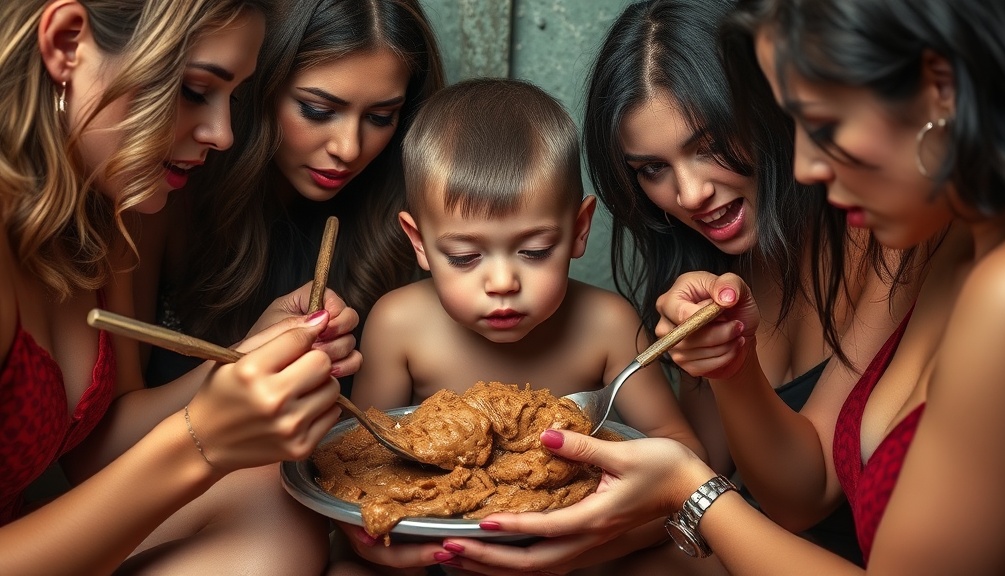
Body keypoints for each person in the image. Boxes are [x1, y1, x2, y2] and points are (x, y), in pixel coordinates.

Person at [437, 0, 1005, 573]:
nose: (689, 195)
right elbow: (796, 493)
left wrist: (687, 489)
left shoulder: (949, 258)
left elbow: (789, 494)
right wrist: (732, 370)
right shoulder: (707, 267)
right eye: (651, 169)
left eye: (712, 143)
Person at [0, 1, 360, 573]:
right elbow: (168, 458)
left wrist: (241, 363)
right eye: (194, 90)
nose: (223, 134)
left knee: (273, 493)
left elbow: (101, 452)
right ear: (68, 44)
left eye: (233, 98)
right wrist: (201, 444)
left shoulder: (105, 210)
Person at [334, 77, 707, 575]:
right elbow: (362, 459)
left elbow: (683, 461)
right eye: (465, 257)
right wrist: (368, 540)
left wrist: (593, 545)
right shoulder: (398, 323)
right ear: (419, 242)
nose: (504, 282)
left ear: (578, 230)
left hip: (584, 556)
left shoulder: (608, 324)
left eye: (533, 252)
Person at [138, 0, 446, 390]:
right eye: (317, 110)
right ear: (255, 87)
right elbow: (100, 445)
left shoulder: (410, 216)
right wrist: (242, 367)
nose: (349, 148)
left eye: (380, 117)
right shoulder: (161, 199)